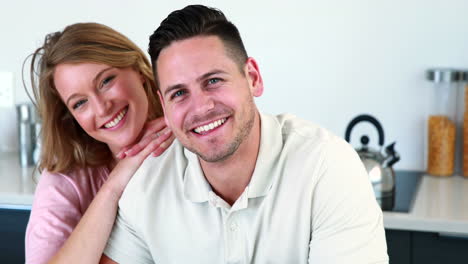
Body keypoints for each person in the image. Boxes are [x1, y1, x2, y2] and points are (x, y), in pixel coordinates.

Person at [102, 5, 388, 263]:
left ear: (253, 78)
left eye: (213, 81)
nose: (201, 107)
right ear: (164, 106)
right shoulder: (147, 183)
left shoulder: (327, 167)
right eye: (179, 93)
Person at [24, 22, 174, 264]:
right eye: (79, 103)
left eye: (106, 81)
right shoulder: (64, 183)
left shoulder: (189, 137)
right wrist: (115, 183)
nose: (102, 108)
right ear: (70, 117)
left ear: (136, 68)